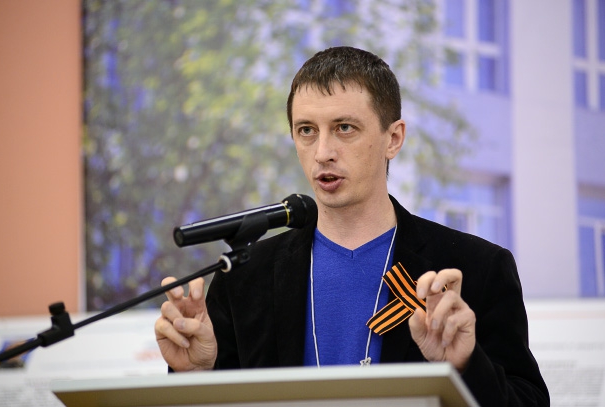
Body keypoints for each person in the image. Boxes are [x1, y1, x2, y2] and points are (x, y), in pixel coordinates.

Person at [155, 46, 549, 406]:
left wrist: (466, 367)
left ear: (393, 138)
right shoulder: (244, 276)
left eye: (344, 128)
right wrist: (195, 377)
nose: (323, 153)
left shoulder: (477, 267)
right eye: (306, 130)